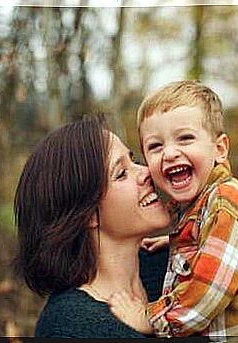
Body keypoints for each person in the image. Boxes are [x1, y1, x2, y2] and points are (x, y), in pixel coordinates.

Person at [108, 80, 238, 339]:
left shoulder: (227, 204)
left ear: (219, 149)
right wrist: (176, 242)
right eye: (156, 146)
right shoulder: (197, 209)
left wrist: (149, 318)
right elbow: (206, 246)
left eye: (185, 138)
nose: (170, 153)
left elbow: (207, 294)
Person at [13, 114, 171, 338]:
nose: (146, 171)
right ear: (87, 214)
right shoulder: (69, 326)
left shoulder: (177, 266)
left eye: (133, 159)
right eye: (121, 173)